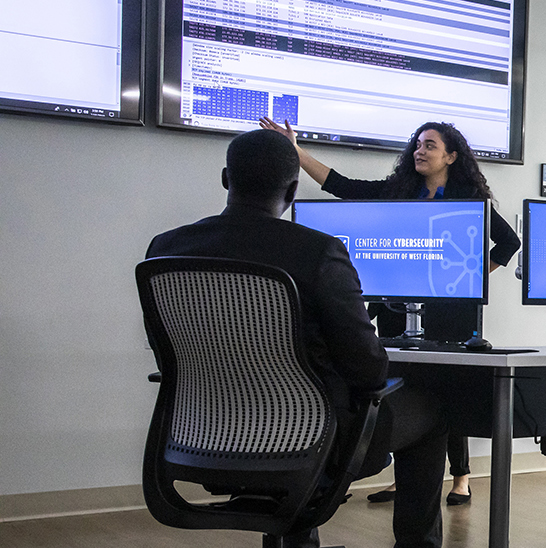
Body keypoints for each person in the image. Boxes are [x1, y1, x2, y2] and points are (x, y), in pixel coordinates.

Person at [145, 129, 450, 548]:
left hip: (203, 434)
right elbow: (368, 368)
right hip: (308, 438)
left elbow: (169, 358)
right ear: (292, 189)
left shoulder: (166, 248)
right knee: (433, 412)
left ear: (225, 179)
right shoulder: (318, 251)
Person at [259, 117, 521, 505]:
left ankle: (461, 476)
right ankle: (409, 476)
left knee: (445, 392)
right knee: (405, 388)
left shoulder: (468, 199)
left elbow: (508, 243)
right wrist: (296, 152)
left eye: (430, 145)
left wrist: (469, 275)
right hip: (396, 307)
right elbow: (342, 187)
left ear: (450, 156)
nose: (420, 150)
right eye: (417, 144)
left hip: (449, 311)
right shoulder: (399, 190)